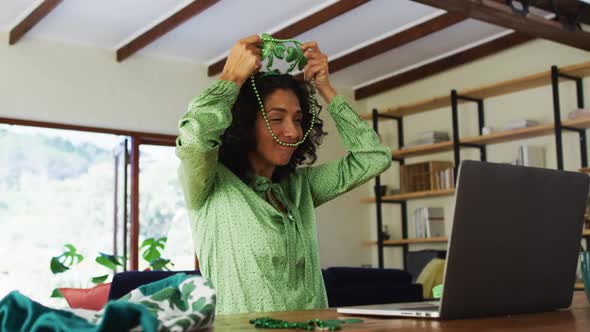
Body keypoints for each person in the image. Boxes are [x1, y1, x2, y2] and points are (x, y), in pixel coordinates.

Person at [175, 35, 392, 314]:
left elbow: (373, 158)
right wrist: (231, 78)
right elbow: (194, 139)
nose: (293, 132)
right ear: (244, 125)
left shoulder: (301, 186)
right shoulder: (208, 184)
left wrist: (326, 90)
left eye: (298, 119)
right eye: (276, 119)